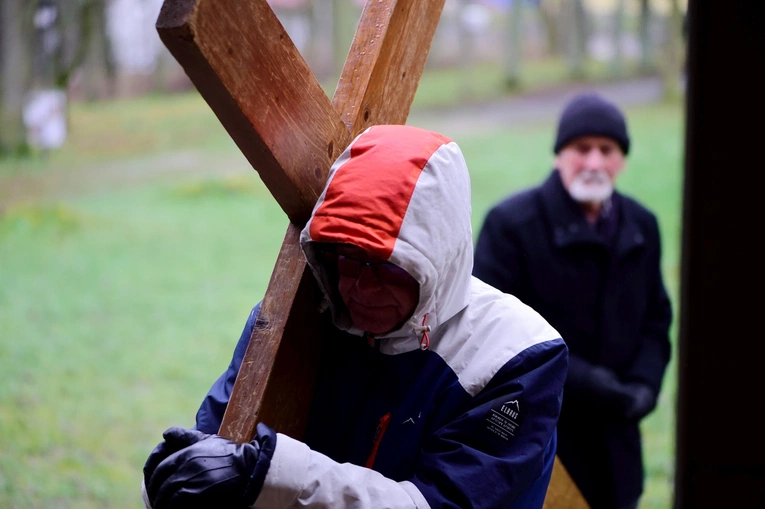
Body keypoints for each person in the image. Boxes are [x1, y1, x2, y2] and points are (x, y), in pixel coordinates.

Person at [141, 125, 568, 509]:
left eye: (387, 269)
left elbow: (439, 502)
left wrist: (270, 475)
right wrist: (173, 480)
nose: (360, 288)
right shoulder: (294, 320)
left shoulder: (517, 357)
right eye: (347, 259)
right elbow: (214, 444)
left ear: (439, 258)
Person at [472, 93, 673, 509]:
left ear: (622, 160)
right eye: (583, 149)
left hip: (618, 444)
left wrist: (645, 385)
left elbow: (657, 318)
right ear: (559, 155)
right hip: (538, 437)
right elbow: (490, 334)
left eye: (608, 150)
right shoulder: (510, 226)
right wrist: (585, 382)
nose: (595, 162)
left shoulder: (642, 226)